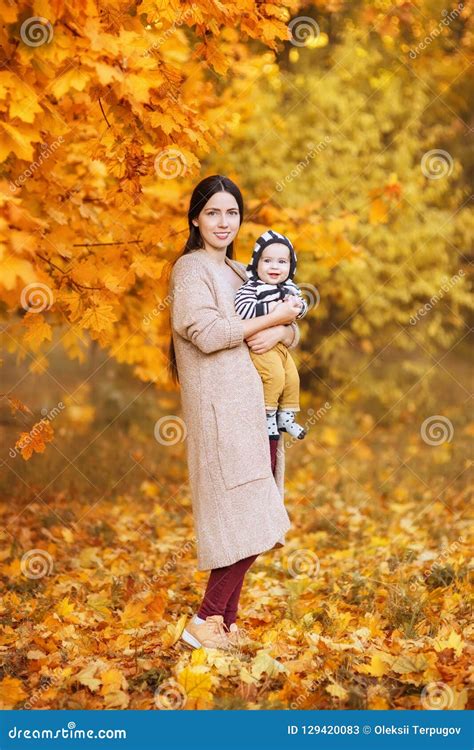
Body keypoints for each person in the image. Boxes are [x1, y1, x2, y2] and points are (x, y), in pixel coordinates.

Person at [167, 175, 301, 649]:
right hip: (223, 414)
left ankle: (225, 622)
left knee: (254, 514)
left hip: (258, 411)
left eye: (231, 213)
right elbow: (206, 331)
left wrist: (285, 332)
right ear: (195, 218)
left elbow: (286, 316)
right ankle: (205, 621)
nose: (223, 222)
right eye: (213, 213)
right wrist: (278, 320)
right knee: (250, 516)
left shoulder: (242, 271)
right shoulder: (191, 270)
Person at [234, 229, 308, 441]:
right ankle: (266, 416)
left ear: (290, 266)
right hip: (261, 346)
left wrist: (298, 306)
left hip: (281, 348)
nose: (274, 266)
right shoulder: (252, 287)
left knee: (292, 378)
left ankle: (286, 417)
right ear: (256, 263)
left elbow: (301, 309)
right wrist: (274, 309)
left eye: (282, 262)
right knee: (274, 376)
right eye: (267, 260)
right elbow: (243, 310)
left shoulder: (290, 288)